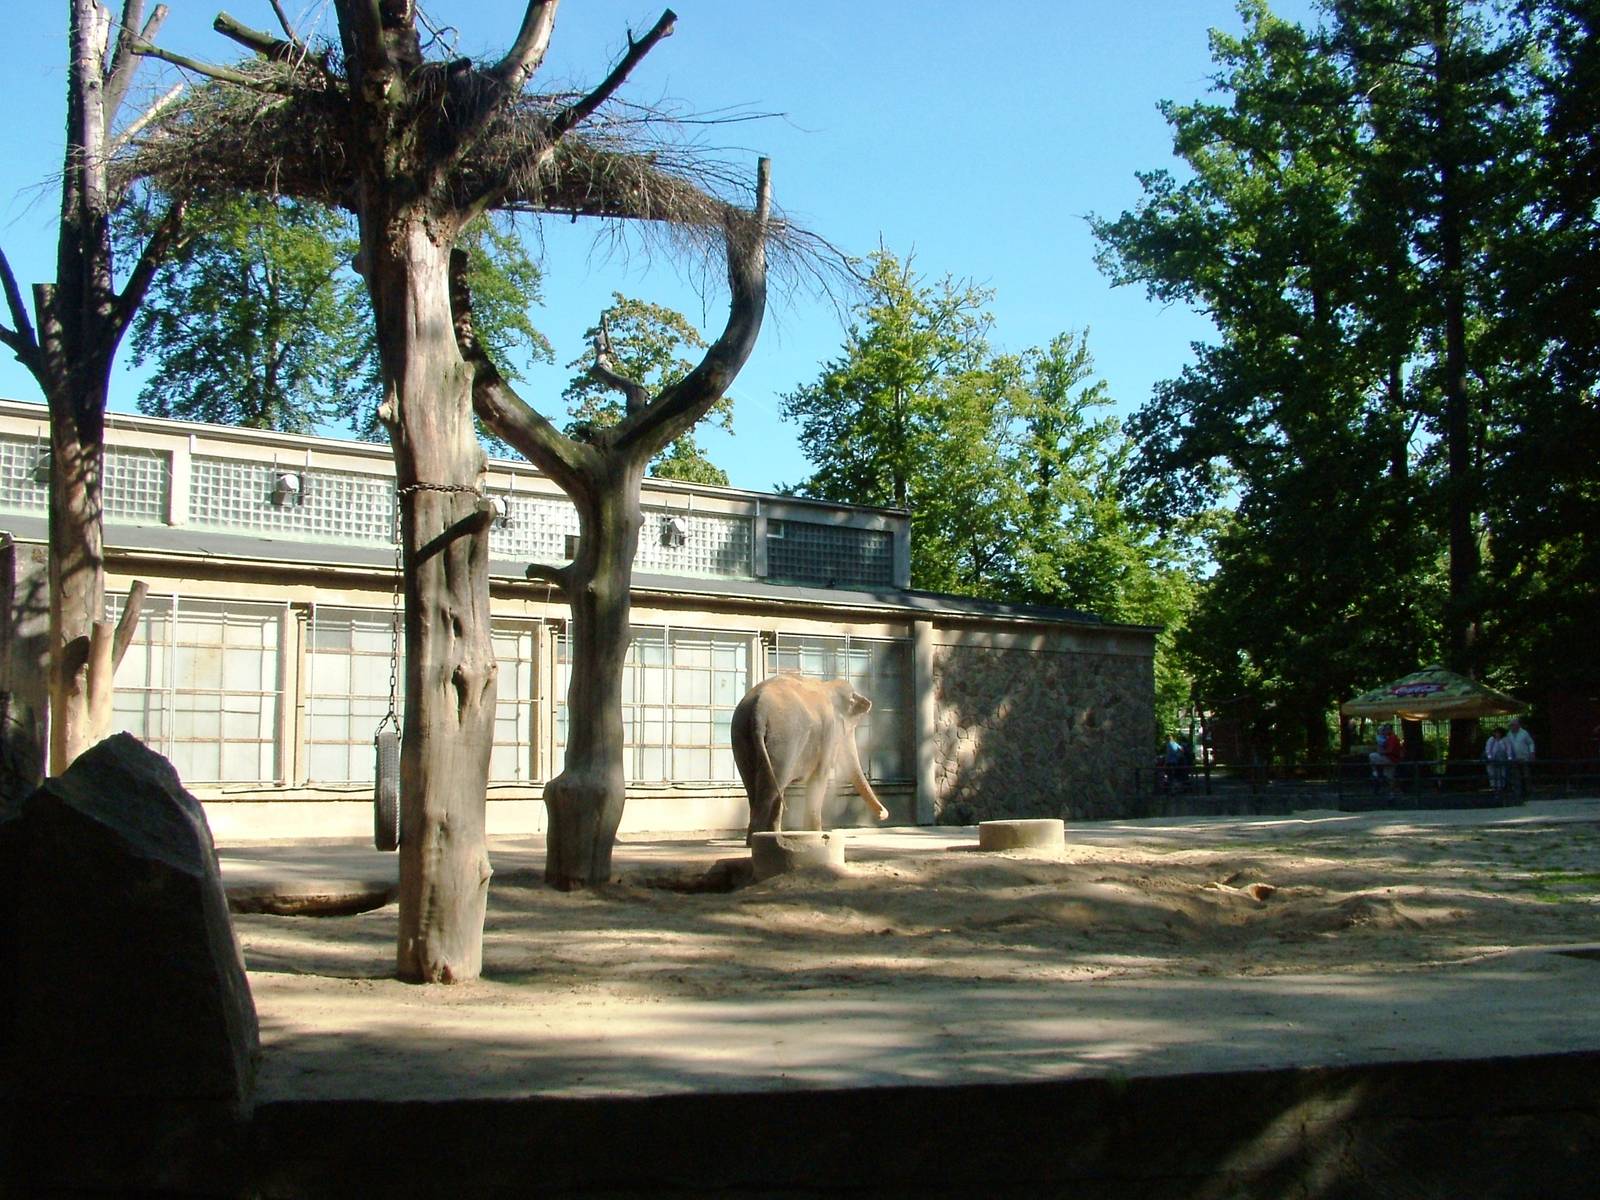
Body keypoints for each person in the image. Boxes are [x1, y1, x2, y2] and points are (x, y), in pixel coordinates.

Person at [1505, 717, 1535, 798]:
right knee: (1516, 776)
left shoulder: (1524, 733)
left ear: (1517, 725)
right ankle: (1518, 793)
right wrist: (1509, 757)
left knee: (1526, 776)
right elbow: (1508, 747)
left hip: (1524, 758)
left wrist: (1532, 752)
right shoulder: (1509, 734)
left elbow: (1530, 743)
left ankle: (1528, 792)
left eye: (1513, 725)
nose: (1512, 727)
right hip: (1514, 759)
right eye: (1511, 725)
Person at [1368, 723, 1402, 794]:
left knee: (1372, 756)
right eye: (1385, 729)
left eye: (1386, 729)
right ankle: (1392, 793)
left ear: (1390, 730)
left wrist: (1382, 752)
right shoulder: (1390, 738)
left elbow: (1390, 750)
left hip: (1390, 758)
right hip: (1393, 759)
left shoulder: (1392, 738)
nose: (1385, 731)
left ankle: (1375, 772)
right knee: (1390, 776)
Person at [1484, 726, 1511, 798]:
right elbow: (1488, 749)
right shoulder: (1491, 740)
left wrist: (1509, 758)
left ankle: (1500, 789)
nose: (1497, 734)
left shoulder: (1505, 740)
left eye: (1498, 733)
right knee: (1492, 774)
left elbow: (1508, 750)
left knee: (1502, 774)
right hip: (1492, 761)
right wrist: (1490, 758)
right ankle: (1494, 789)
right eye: (1496, 732)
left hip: (1502, 761)